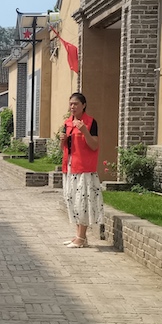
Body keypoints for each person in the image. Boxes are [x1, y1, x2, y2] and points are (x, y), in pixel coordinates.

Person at [60, 93, 102, 249]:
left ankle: (81, 237)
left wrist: (84, 131)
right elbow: (64, 148)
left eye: (76, 104)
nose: (72, 107)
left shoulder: (90, 122)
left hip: (84, 168)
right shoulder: (67, 123)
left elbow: (94, 145)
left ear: (83, 105)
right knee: (71, 200)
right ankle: (79, 236)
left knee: (82, 202)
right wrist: (62, 141)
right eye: (71, 104)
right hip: (70, 166)